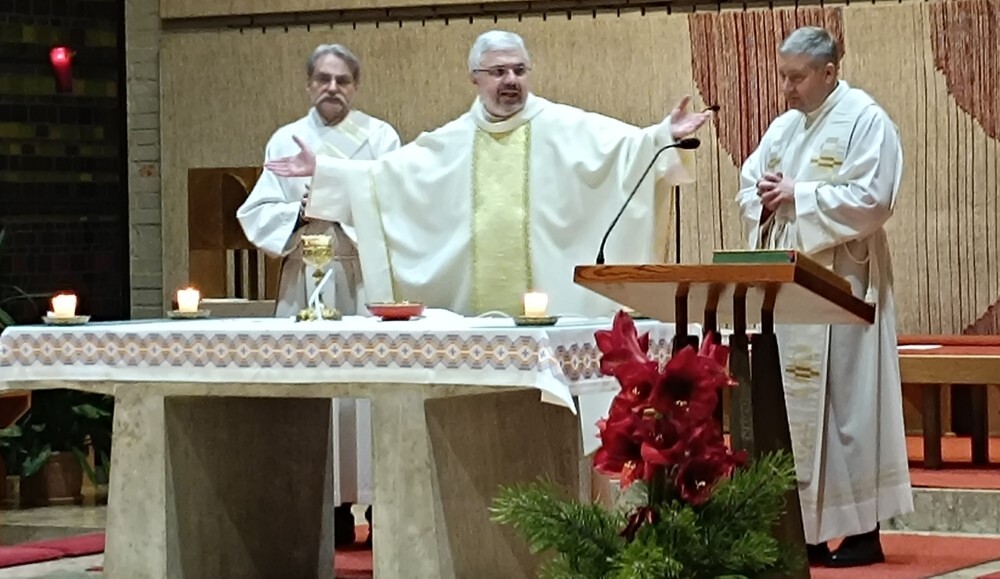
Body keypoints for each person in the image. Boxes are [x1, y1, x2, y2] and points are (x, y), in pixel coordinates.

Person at [264, 30, 711, 319]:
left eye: (519, 70)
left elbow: (628, 148)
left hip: (551, 308)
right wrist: (324, 171)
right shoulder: (451, 140)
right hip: (474, 316)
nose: (510, 80)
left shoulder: (566, 126)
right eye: (498, 72)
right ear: (475, 78)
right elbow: (383, 179)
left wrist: (663, 135)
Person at [736, 26, 913, 567]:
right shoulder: (785, 128)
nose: (786, 88)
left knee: (848, 411)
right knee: (794, 412)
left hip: (844, 285)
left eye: (797, 77)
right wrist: (766, 198)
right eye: (783, 76)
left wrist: (801, 195)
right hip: (791, 292)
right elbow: (750, 182)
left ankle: (862, 533)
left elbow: (874, 199)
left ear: (829, 71)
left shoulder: (865, 120)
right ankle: (805, 531)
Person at [236, 43, 401, 547]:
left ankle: (379, 502)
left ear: (356, 86)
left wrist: (330, 197)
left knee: (366, 393)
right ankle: (327, 510)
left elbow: (394, 202)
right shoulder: (286, 138)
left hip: (361, 278)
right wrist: (299, 214)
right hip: (304, 280)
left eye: (342, 80)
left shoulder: (380, 137)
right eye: (323, 79)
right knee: (315, 391)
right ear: (309, 84)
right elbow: (258, 211)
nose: (332, 88)